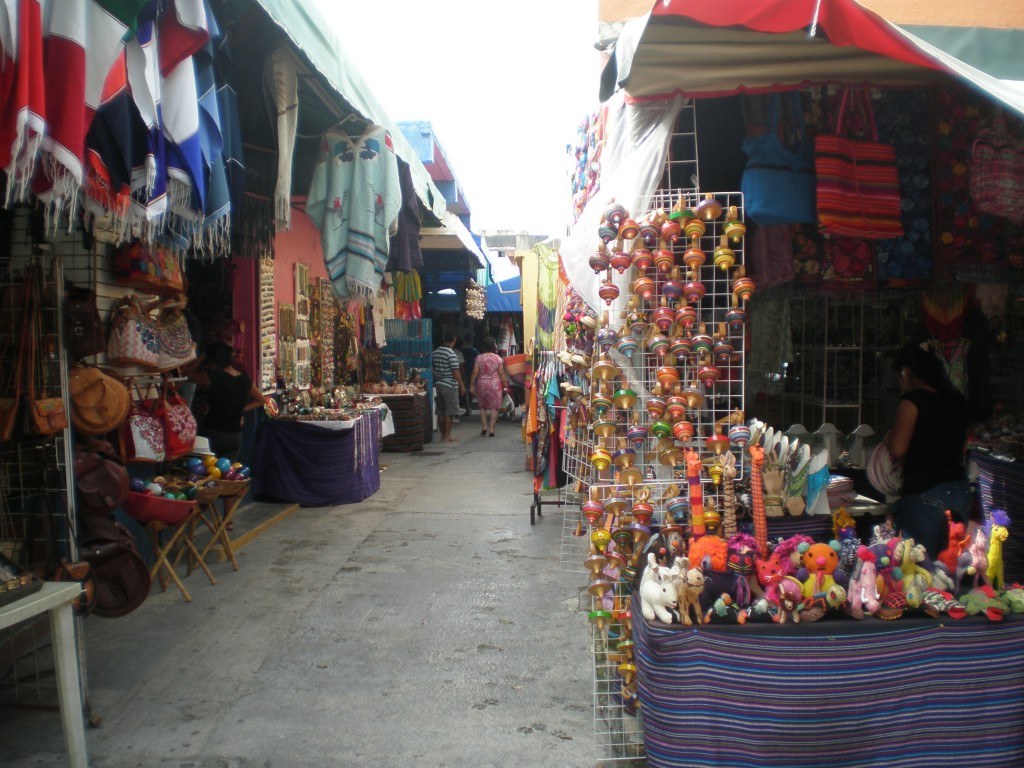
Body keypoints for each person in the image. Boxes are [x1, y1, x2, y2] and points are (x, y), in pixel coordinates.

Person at [883, 340, 973, 560]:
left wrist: (887, 437)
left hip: (924, 491)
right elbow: (963, 445)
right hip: (959, 490)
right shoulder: (958, 400)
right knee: (954, 564)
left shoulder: (911, 402)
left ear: (906, 372)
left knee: (922, 567)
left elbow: (898, 447)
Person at [186, 341, 265, 461]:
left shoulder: (212, 377)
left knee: (205, 471)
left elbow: (187, 374)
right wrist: (240, 409)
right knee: (226, 474)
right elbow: (261, 400)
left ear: (213, 361)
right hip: (234, 435)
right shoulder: (244, 379)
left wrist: (202, 356)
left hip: (213, 431)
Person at [469, 338, 508, 437]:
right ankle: (491, 429)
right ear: (493, 346)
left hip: (482, 383)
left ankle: (484, 427)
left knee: (482, 406)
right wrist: (505, 384)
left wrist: (471, 384)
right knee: (494, 407)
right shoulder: (498, 358)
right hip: (494, 384)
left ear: (483, 346)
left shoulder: (479, 358)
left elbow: (475, 372)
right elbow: (501, 373)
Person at [432, 331, 465, 443]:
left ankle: (443, 435)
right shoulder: (451, 354)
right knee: (449, 412)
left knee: (441, 411)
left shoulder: (435, 352)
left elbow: (432, 368)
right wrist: (461, 385)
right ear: (454, 340)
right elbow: (456, 371)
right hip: (449, 385)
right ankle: (448, 435)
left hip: (438, 384)